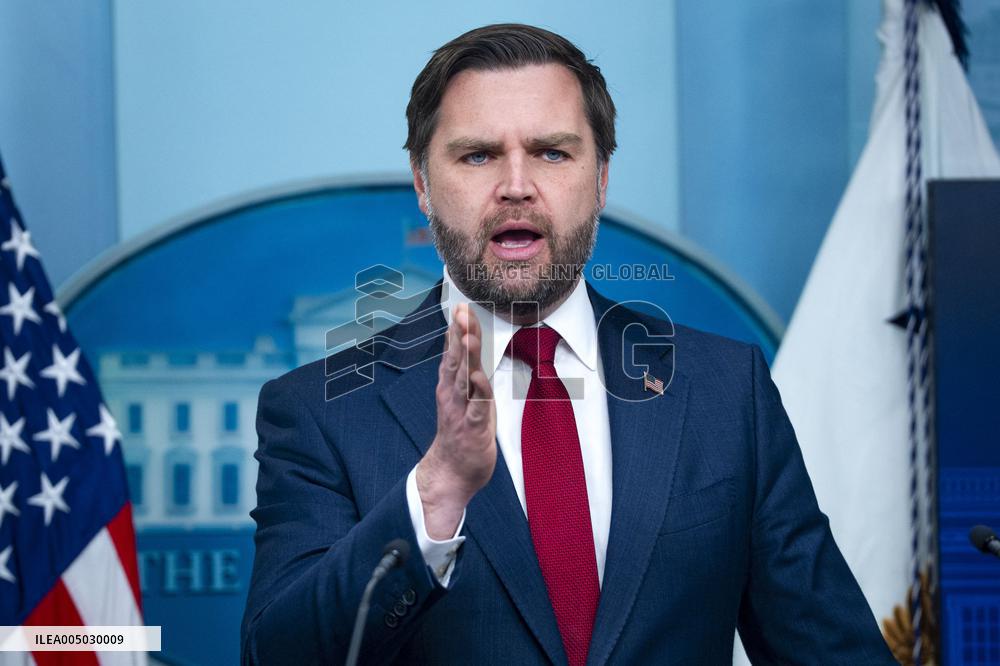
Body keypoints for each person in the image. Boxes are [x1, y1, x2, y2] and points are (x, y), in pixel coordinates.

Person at [241, 23, 895, 665]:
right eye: (478, 155)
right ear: (422, 183)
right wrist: (436, 492)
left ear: (601, 177)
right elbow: (277, 655)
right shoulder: (321, 411)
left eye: (552, 152)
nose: (516, 185)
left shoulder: (726, 391)